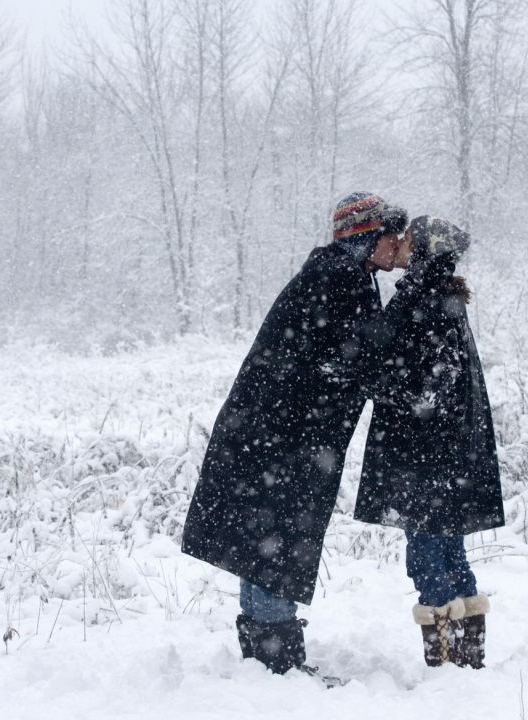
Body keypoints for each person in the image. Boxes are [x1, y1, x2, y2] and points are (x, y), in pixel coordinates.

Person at [183, 192, 448, 677]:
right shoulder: (338, 279)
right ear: (366, 238)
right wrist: (415, 301)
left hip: (275, 435)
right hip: (279, 439)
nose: (397, 244)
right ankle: (274, 664)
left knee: (267, 541)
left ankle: (267, 660)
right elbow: (366, 359)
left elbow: (358, 356)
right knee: (273, 540)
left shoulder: (342, 275)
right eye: (390, 235)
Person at [355, 215, 505, 669]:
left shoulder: (425, 299)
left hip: (423, 456)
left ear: (424, 250)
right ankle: (466, 655)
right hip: (443, 454)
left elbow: (429, 386)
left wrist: (375, 382)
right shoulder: (440, 296)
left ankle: (446, 661)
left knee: (427, 557)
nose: (399, 242)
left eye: (408, 238)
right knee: (449, 552)